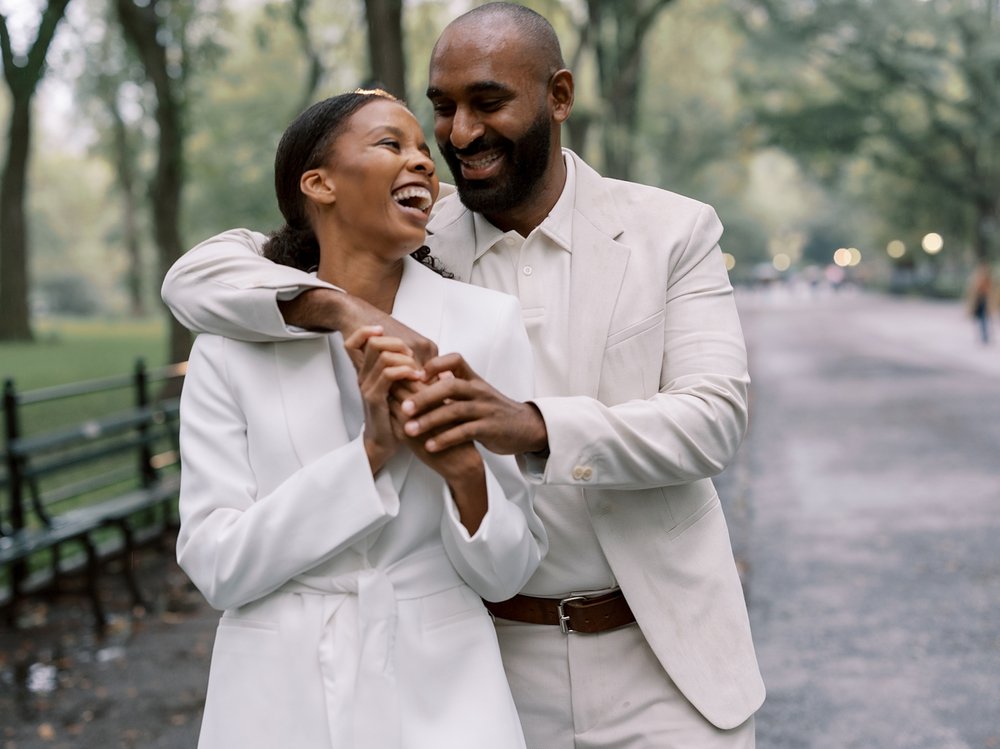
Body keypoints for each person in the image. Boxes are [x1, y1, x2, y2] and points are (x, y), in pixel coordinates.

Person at [163, 3, 764, 747]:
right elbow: (199, 275)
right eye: (442, 109)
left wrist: (532, 425)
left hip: (658, 648)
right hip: (491, 659)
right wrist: (343, 311)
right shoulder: (410, 226)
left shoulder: (672, 230)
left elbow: (712, 418)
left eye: (487, 103)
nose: (456, 135)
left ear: (559, 96)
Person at [175, 89, 546, 749]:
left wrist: (466, 477)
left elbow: (507, 572)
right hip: (275, 695)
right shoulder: (230, 345)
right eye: (390, 144)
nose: (424, 164)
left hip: (448, 694)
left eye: (424, 154)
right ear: (318, 183)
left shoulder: (487, 325)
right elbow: (217, 565)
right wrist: (372, 454)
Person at [966, 261, 994, 344]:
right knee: (981, 319)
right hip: (979, 301)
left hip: (984, 300)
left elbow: (989, 290)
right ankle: (984, 336)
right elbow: (973, 290)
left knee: (984, 319)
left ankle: (985, 336)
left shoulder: (986, 278)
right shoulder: (977, 278)